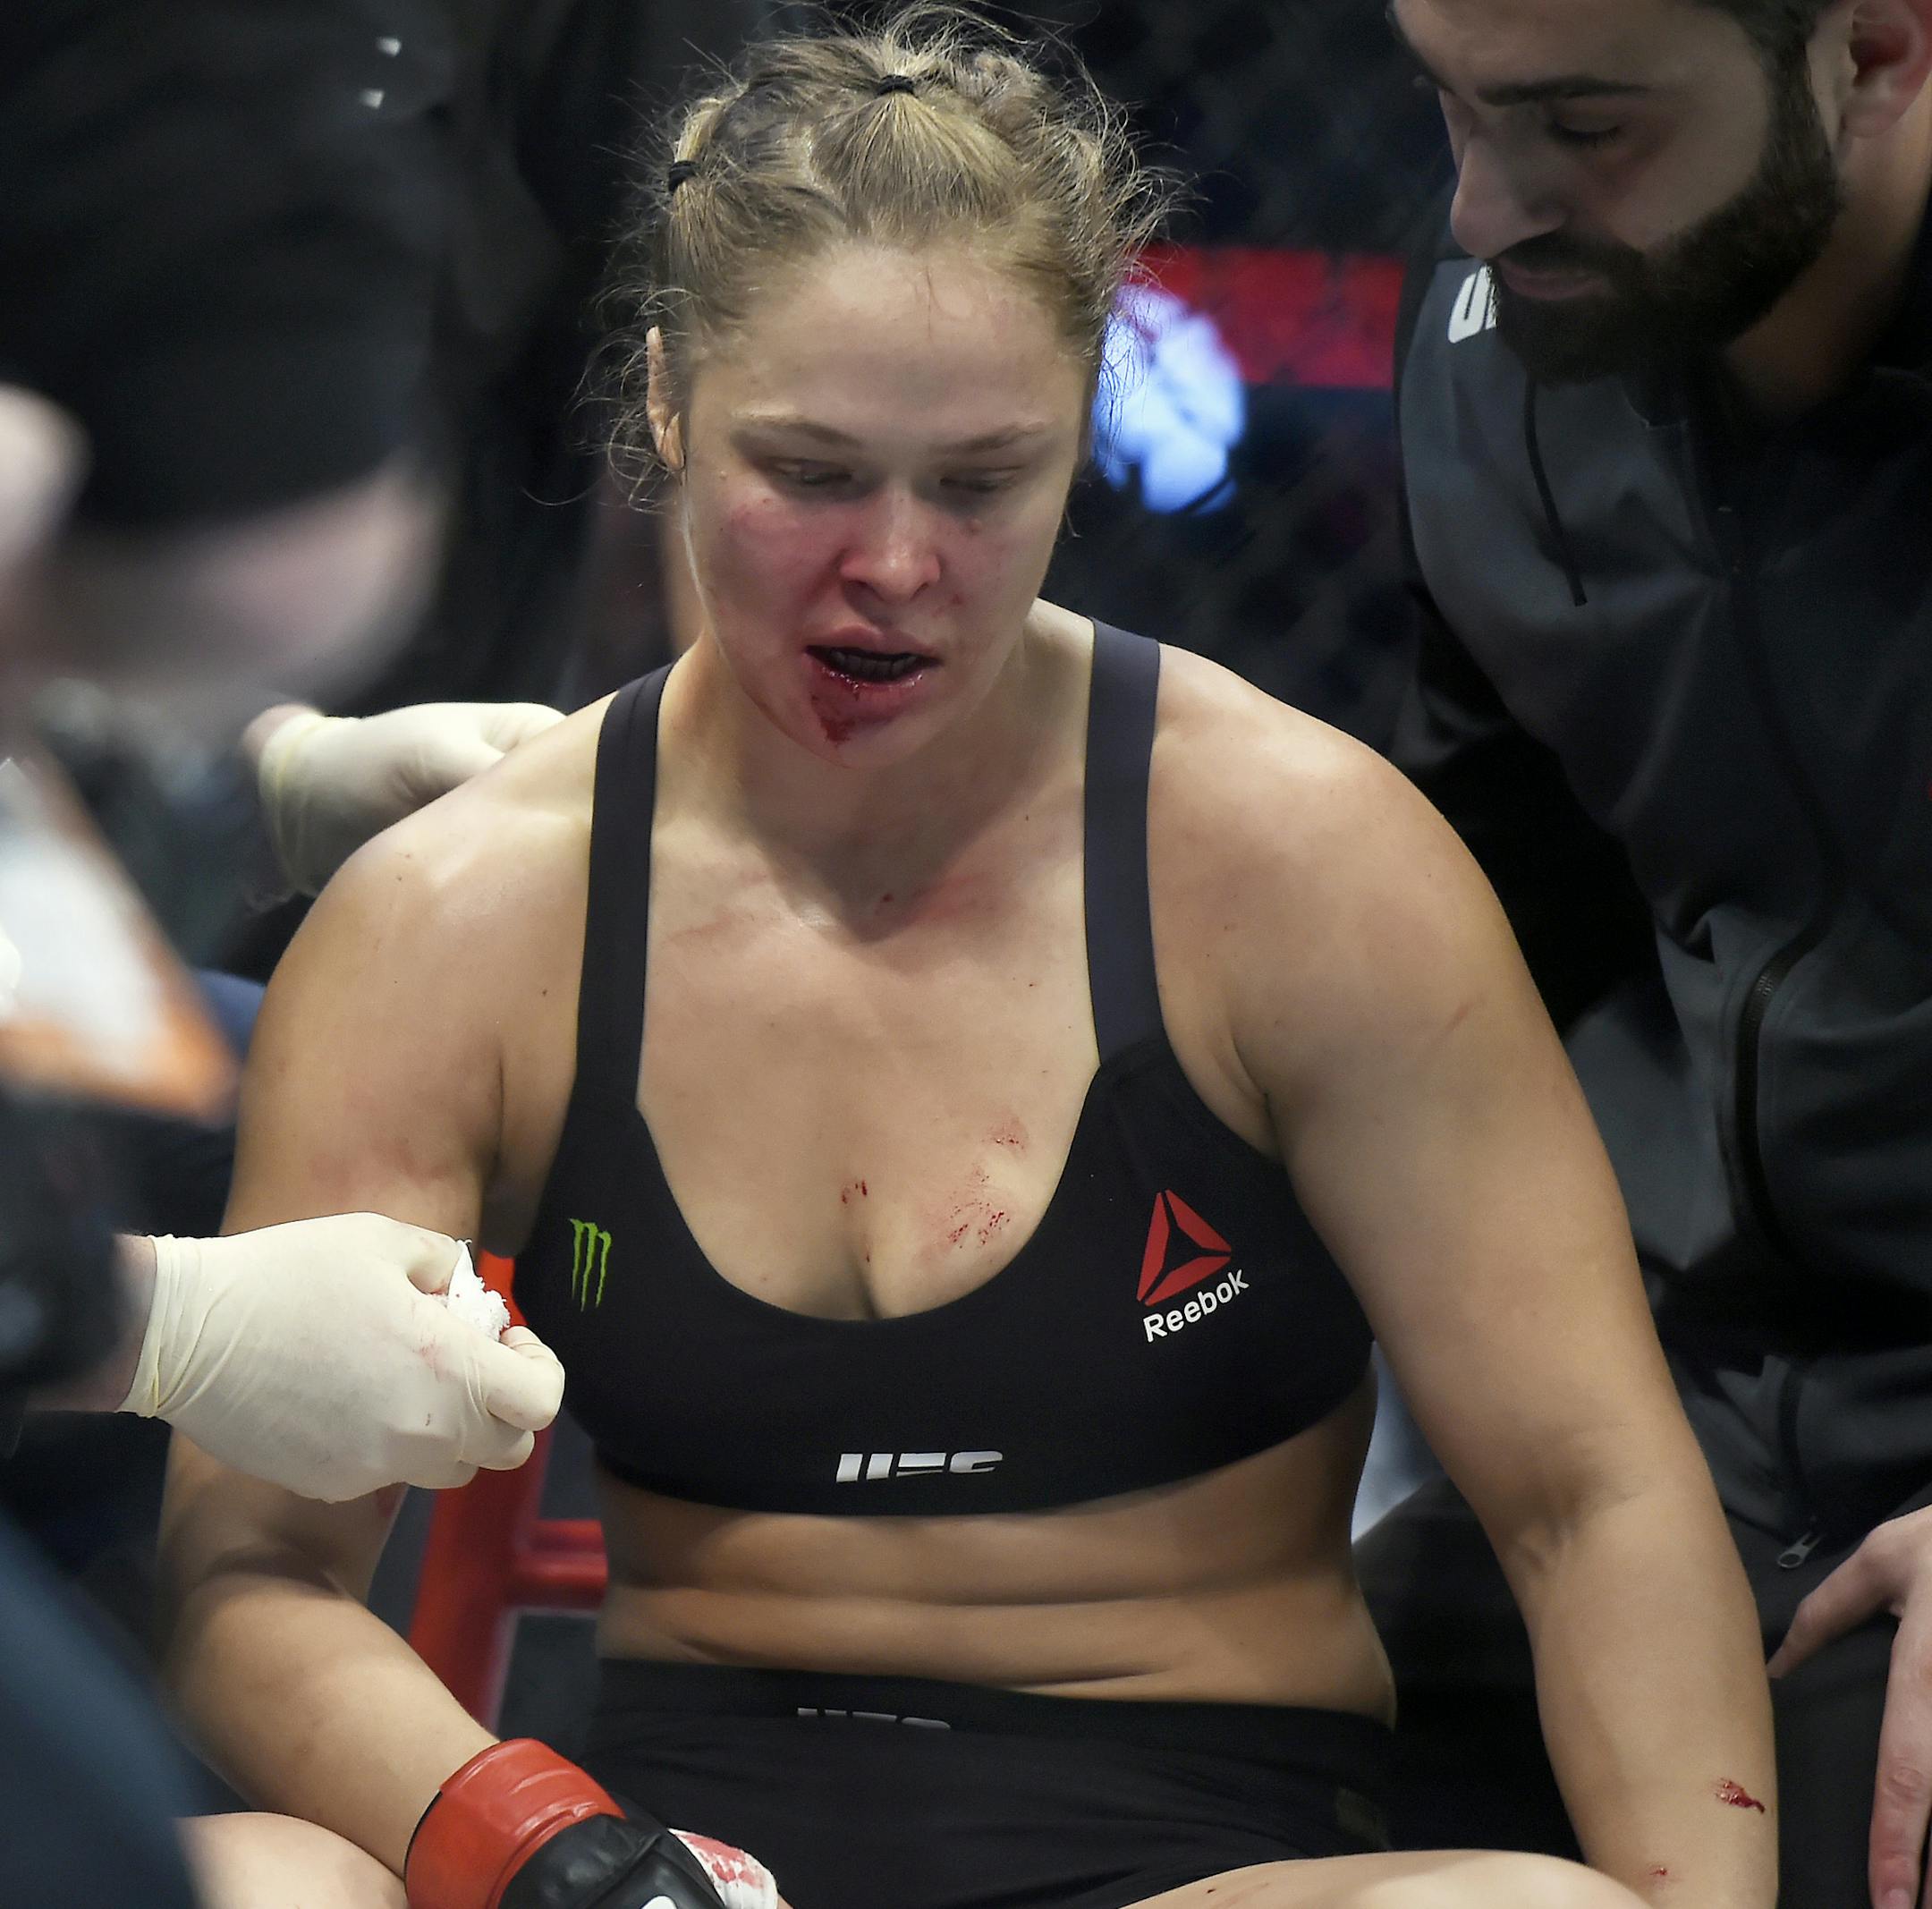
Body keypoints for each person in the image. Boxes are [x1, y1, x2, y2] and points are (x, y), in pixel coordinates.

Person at [159, 12, 1776, 1909]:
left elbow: (1589, 1493)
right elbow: (247, 1571)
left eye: (982, 480)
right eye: (815, 472)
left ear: (1087, 423)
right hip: (668, 1847)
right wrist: (553, 1853)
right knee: (230, 1875)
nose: (900, 568)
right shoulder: (466, 912)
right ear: (669, 399)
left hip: (1190, 1862)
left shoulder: (1298, 862)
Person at [1361, 2, 1932, 1907]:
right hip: (1676, 1427)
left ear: (1878, 46)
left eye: (1580, 129)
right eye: (1448, 110)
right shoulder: (1504, 371)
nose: (1479, 210)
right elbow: (1471, 959)